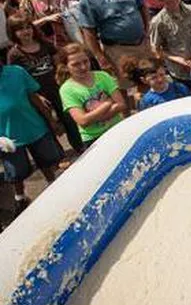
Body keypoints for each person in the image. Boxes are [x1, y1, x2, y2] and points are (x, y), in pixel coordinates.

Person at [6, 14, 83, 154]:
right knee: (48, 124)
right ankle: (59, 154)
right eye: (20, 29)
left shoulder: (45, 44)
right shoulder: (14, 54)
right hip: (37, 95)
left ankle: (79, 146)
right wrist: (36, 96)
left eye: (28, 27)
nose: (26, 32)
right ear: (13, 33)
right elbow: (18, 78)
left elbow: (58, 64)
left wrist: (63, 83)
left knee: (68, 119)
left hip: (56, 89)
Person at [0, 63, 63, 215]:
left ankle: (54, 185)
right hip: (6, 139)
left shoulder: (17, 72)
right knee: (16, 173)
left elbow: (34, 97)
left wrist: (51, 120)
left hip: (34, 127)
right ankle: (20, 198)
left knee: (48, 161)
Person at [78, 0, 151, 84]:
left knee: (148, 80)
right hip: (117, 50)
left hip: (141, 43)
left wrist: (147, 31)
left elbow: (142, 7)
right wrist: (99, 56)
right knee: (125, 86)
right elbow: (89, 31)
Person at [57, 43, 126, 148]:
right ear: (65, 67)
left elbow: (121, 104)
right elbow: (82, 121)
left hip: (117, 128)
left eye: (85, 61)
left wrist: (93, 117)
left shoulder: (102, 76)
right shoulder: (67, 89)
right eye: (76, 64)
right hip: (94, 138)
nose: (83, 67)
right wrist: (107, 104)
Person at [121, 56, 191, 110]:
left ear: (165, 72)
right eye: (153, 78)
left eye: (161, 74)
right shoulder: (147, 101)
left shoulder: (179, 88)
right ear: (144, 80)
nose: (160, 79)